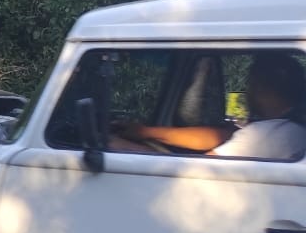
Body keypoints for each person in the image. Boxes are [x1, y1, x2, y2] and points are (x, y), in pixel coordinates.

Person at [121, 52, 306, 161]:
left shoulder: (267, 135)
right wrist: (146, 132)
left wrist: (119, 145)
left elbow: (192, 171)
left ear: (262, 87)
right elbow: (222, 135)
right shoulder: (290, 126)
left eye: (250, 83)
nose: (246, 90)